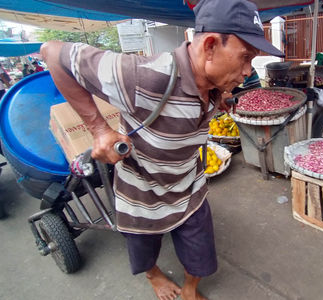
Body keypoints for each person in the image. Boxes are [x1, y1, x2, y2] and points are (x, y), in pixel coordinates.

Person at [41, 0, 284, 299]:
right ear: (209, 46)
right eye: (245, 57)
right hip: (141, 191)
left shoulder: (212, 81)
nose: (248, 71)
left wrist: (217, 97)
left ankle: (189, 289)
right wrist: (99, 129)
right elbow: (52, 53)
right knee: (144, 249)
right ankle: (154, 277)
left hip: (188, 186)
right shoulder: (141, 76)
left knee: (201, 254)